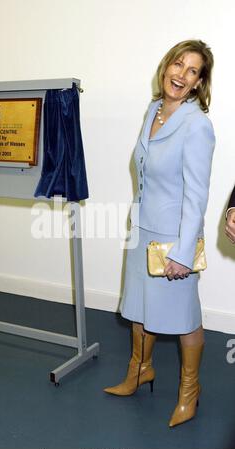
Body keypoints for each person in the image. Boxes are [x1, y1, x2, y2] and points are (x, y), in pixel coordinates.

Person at [104, 40, 216, 427]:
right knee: (138, 308)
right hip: (143, 231)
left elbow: (197, 194)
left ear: (199, 83)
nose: (181, 75)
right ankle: (140, 370)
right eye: (178, 64)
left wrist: (183, 252)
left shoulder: (197, 125)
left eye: (192, 71)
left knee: (185, 318)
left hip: (173, 240)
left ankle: (190, 391)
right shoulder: (154, 110)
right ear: (166, 66)